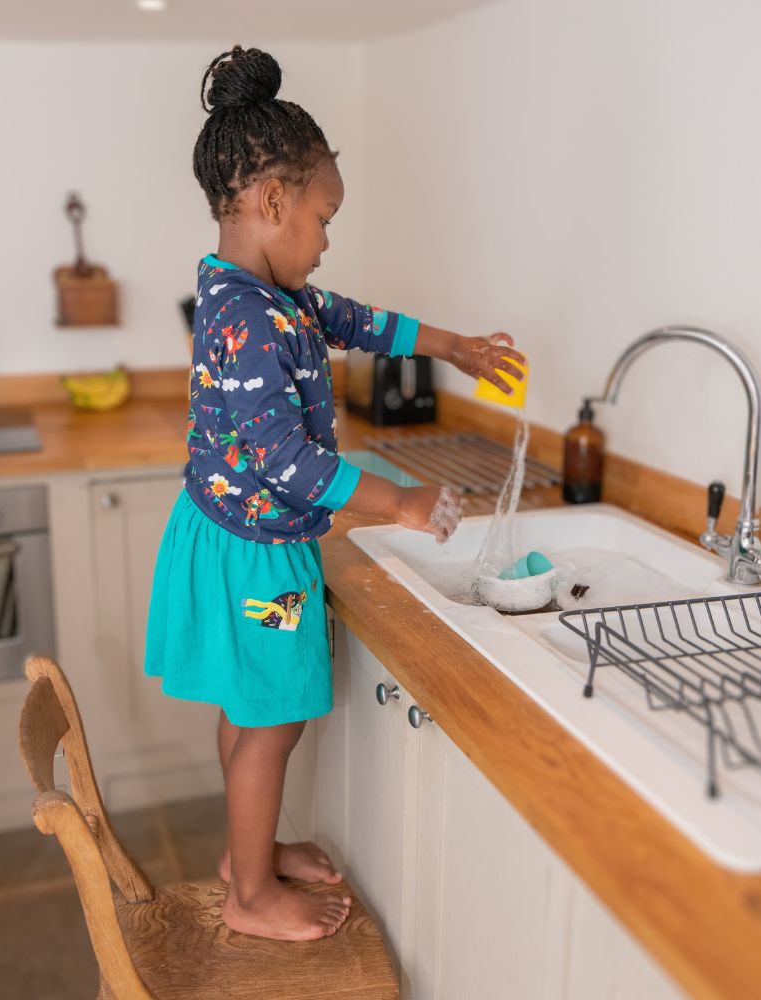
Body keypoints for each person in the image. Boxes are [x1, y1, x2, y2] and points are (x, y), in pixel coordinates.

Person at [144, 45, 526, 943]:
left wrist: (453, 346)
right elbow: (286, 462)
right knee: (273, 722)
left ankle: (250, 853)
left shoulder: (266, 293)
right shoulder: (247, 314)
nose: (326, 240)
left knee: (252, 713)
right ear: (272, 202)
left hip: (238, 536)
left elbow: (357, 318)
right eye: (323, 218)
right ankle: (247, 897)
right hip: (256, 553)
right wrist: (397, 502)